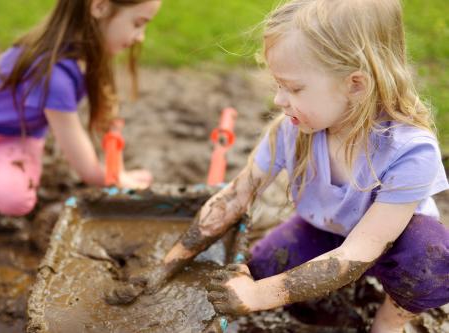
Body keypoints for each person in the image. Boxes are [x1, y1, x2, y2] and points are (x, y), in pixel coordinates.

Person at [122, 1, 449, 332]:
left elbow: (359, 251)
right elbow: (235, 197)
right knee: (263, 268)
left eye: (293, 88)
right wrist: (167, 266)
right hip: (325, 229)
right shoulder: (292, 129)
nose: (279, 100)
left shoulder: (410, 151)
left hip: (392, 242)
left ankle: (389, 321)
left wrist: (258, 296)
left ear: (355, 85)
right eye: (278, 84)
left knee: (429, 261)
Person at [0, 0, 161, 217]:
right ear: (100, 7)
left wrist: (117, 173)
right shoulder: (51, 72)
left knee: (13, 199)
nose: (141, 36)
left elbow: (108, 122)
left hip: (14, 137)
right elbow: (79, 154)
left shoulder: (88, 57)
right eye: (138, 23)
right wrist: (112, 180)